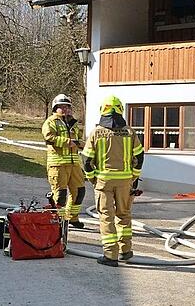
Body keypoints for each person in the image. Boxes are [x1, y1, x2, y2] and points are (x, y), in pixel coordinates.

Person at [81, 95, 144, 267]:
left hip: (104, 182)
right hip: (125, 182)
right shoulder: (129, 132)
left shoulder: (97, 132)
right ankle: (126, 250)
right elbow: (139, 156)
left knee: (106, 217)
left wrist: (92, 178)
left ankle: (110, 255)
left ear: (103, 110)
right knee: (124, 214)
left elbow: (86, 159)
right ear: (120, 110)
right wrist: (134, 176)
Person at [42, 93, 86, 228]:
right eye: (62, 106)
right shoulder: (51, 122)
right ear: (55, 108)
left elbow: (79, 139)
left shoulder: (73, 123)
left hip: (74, 164)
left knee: (79, 191)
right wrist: (68, 142)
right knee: (60, 195)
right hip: (58, 164)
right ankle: (58, 220)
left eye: (67, 106)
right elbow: (49, 138)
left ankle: (72, 218)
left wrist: (81, 144)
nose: (65, 109)